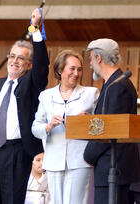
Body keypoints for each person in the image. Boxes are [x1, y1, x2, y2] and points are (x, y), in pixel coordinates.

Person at [0, 8, 49, 204]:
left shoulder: (29, 84)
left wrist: (35, 29)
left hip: (16, 152)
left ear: (28, 65)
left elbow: (41, 67)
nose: (14, 61)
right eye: (12, 56)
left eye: (21, 58)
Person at [32, 49, 98, 204]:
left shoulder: (91, 94)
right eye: (72, 68)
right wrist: (48, 127)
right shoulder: (46, 96)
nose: (76, 73)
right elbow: (35, 127)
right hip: (54, 159)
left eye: (79, 69)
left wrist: (87, 121)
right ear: (60, 70)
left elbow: (100, 126)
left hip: (80, 160)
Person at [83, 38, 140, 204]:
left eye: (91, 59)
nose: (90, 64)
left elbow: (110, 127)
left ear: (99, 58)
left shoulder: (117, 86)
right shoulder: (114, 84)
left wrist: (88, 155)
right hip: (112, 168)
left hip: (114, 168)